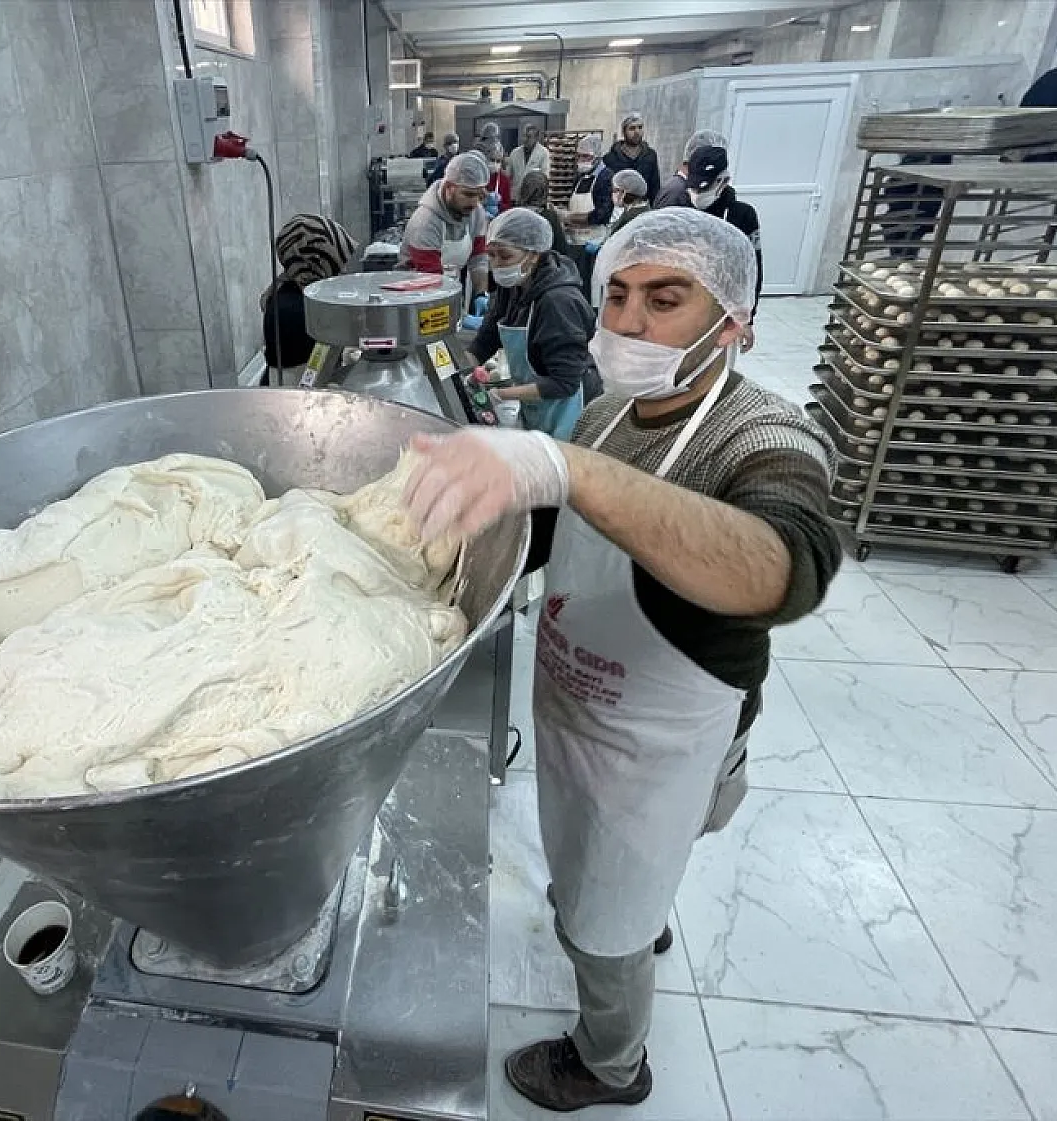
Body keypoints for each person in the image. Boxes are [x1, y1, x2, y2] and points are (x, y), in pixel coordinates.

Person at [403, 208, 840, 1111]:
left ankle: (610, 1061)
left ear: (737, 322)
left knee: (606, 916)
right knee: (599, 869)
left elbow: (782, 568)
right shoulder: (608, 415)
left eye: (666, 299)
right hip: (580, 703)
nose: (628, 324)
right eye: (619, 295)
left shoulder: (761, 434)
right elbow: (554, 537)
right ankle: (635, 920)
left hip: (663, 740)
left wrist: (564, 468)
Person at [462, 208, 600, 440]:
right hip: (538, 403)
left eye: (505, 256)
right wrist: (460, 375)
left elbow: (564, 383)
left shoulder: (558, 302)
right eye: (491, 255)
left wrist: (500, 395)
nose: (496, 265)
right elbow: (486, 341)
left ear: (534, 255)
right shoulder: (513, 286)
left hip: (570, 407)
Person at [658, 141, 762, 348]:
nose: (696, 193)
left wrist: (747, 319)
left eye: (704, 187)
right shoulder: (679, 212)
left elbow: (753, 272)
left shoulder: (742, 216)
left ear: (723, 181)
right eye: (693, 187)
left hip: (725, 313)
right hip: (682, 309)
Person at [262, 214, 357, 378]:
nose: (344, 271)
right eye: (338, 264)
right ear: (318, 261)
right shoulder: (296, 310)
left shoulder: (288, 289)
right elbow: (309, 378)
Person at [400, 150, 491, 298]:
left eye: (479, 195)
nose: (475, 202)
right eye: (468, 194)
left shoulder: (476, 212)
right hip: (417, 294)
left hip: (450, 287)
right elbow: (430, 278)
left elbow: (478, 259)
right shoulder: (425, 222)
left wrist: (481, 294)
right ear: (449, 187)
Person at [512, 169, 575, 263]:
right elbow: (561, 249)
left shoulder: (514, 215)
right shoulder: (549, 216)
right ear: (545, 190)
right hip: (544, 267)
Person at [601, 112, 662, 206]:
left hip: (642, 208)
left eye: (640, 127)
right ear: (624, 131)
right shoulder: (610, 159)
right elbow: (606, 191)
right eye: (632, 128)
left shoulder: (650, 156)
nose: (637, 132)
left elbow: (655, 187)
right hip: (618, 209)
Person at [506, 125, 552, 197]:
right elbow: (508, 175)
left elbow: (544, 177)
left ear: (536, 138)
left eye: (529, 137)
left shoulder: (543, 153)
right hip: (515, 195)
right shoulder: (515, 152)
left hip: (533, 197)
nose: (525, 139)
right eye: (524, 136)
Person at [480, 138, 513, 215]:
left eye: (498, 161)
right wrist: (483, 203)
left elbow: (508, 205)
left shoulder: (504, 180)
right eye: (492, 160)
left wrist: (498, 205)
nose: (495, 164)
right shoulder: (479, 177)